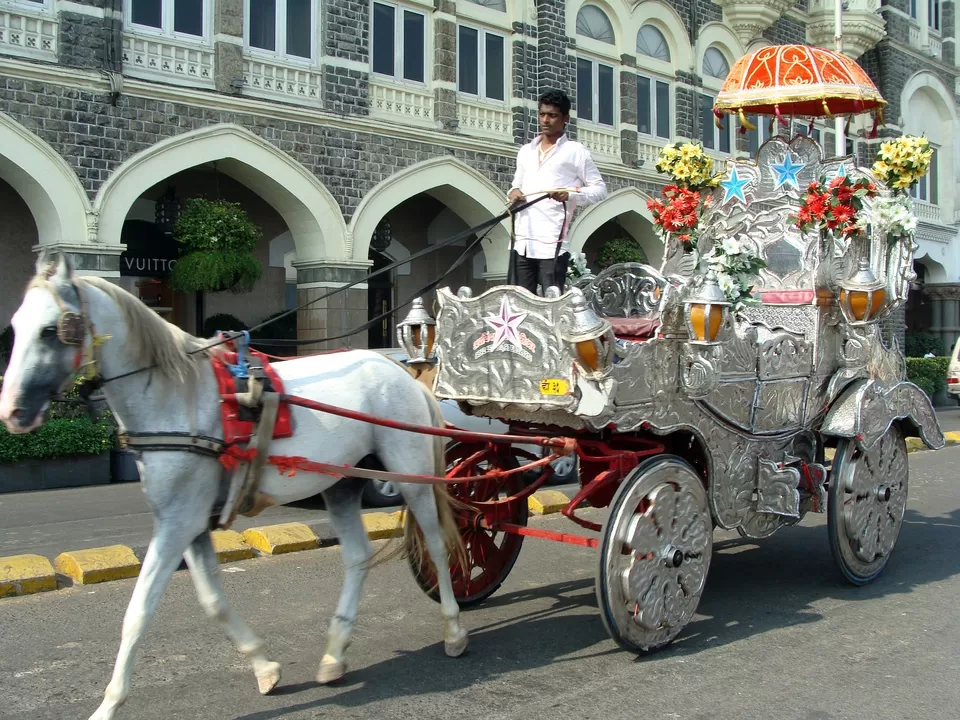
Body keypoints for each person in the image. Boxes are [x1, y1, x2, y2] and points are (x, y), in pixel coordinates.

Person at [507, 89, 607, 295]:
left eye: (552, 115)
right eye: (542, 114)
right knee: (518, 303)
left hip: (552, 241)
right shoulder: (526, 151)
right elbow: (517, 183)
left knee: (552, 305)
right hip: (521, 240)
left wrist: (569, 194)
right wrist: (514, 192)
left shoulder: (575, 151)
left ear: (565, 119)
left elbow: (600, 190)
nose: (545, 120)